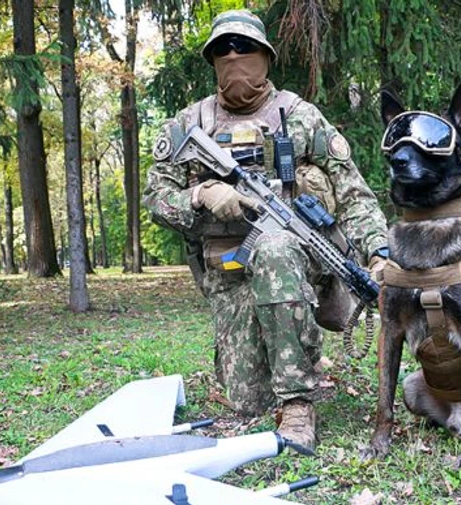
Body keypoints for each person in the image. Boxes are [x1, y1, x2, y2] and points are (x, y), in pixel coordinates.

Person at [142, 9, 388, 450]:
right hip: (229, 270)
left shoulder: (299, 116)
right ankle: (284, 351)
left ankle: (298, 407)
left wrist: (379, 253)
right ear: (213, 60)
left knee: (275, 246)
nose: (234, 56)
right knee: (249, 400)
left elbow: (354, 194)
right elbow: (156, 200)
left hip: (298, 260)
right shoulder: (189, 125)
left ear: (266, 57)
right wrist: (201, 197)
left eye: (245, 48)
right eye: (223, 49)